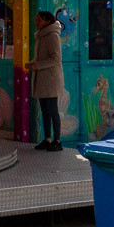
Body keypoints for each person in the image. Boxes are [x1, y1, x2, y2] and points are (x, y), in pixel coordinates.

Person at [31, 11, 64, 150]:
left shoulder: (52, 36)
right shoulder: (41, 36)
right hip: (42, 79)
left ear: (47, 21)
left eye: (39, 20)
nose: (36, 22)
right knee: (44, 111)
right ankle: (47, 139)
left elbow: (55, 58)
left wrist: (37, 65)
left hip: (50, 79)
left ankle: (57, 141)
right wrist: (33, 63)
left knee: (52, 111)